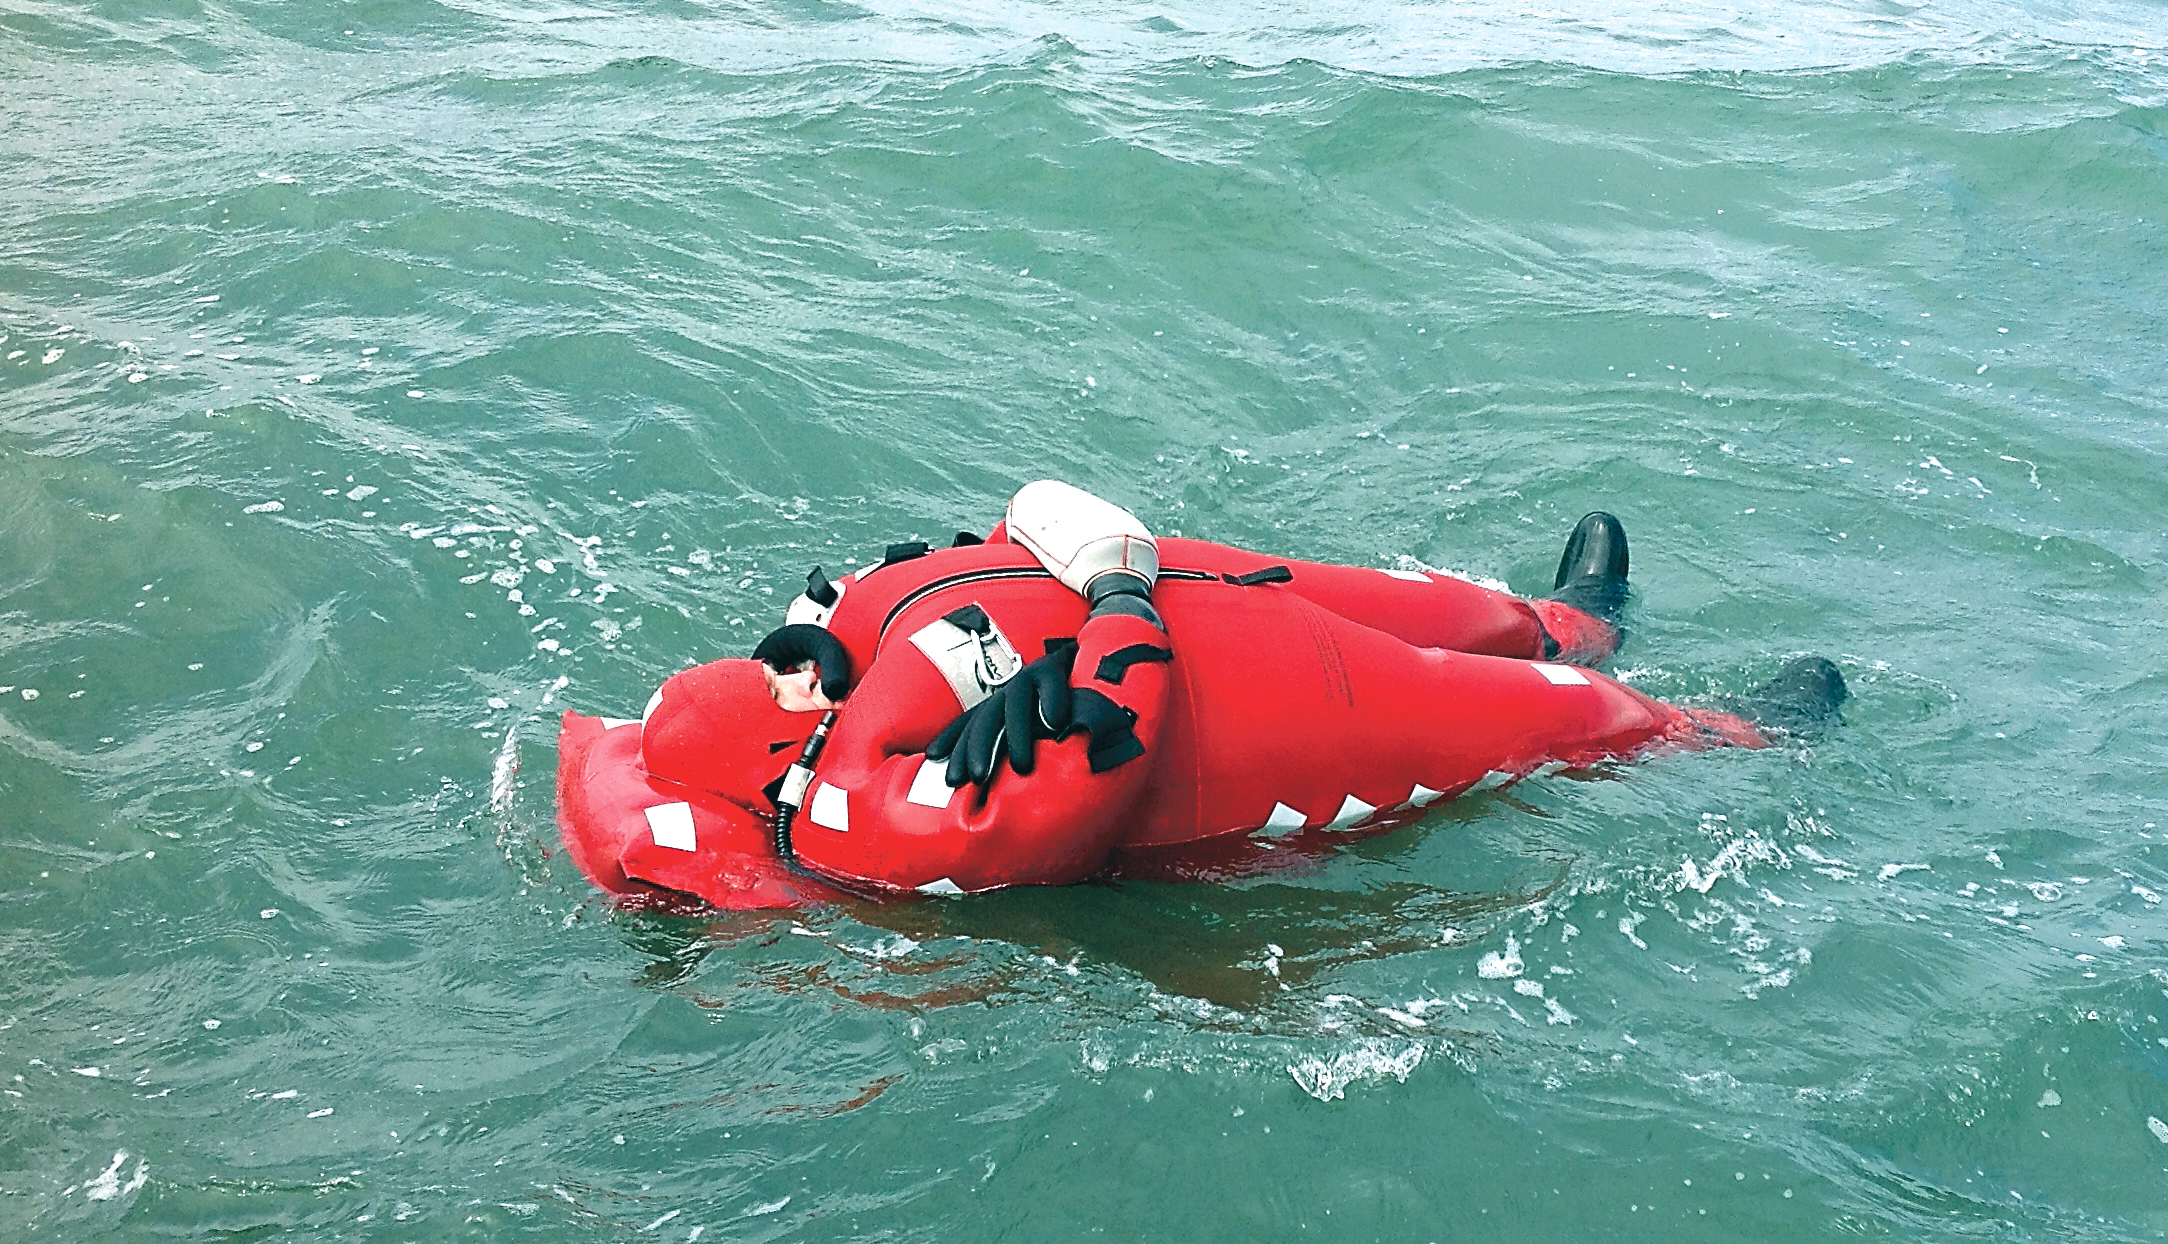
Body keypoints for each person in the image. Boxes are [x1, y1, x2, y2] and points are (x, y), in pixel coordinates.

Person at [557, 483, 1844, 910]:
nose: (791, 661)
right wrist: (1116, 596)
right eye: (779, 685)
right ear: (780, 747)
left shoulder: (835, 634)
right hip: (1246, 702)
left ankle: (1570, 624)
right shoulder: (858, 806)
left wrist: (1038, 539)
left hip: (1202, 593)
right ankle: (1728, 737)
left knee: (1437, 608)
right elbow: (1074, 774)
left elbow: (881, 601)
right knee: (1519, 719)